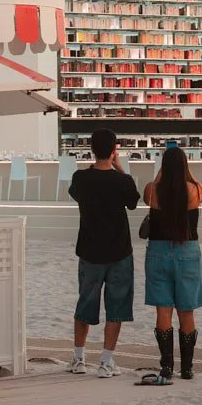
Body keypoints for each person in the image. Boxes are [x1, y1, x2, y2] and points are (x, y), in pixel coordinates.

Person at [65, 128, 140, 378]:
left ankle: (78, 358)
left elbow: (76, 194)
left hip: (89, 250)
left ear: (91, 150)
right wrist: (120, 168)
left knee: (85, 304)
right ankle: (106, 362)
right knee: (116, 307)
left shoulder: (81, 179)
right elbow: (132, 201)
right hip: (119, 251)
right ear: (114, 150)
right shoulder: (123, 181)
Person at [140, 145, 202, 385]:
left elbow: (148, 195)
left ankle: (166, 366)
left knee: (163, 309)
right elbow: (201, 191)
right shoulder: (195, 190)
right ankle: (187, 368)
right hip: (187, 251)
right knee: (186, 310)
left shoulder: (153, 191)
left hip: (158, 252)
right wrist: (188, 173)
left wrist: (160, 175)